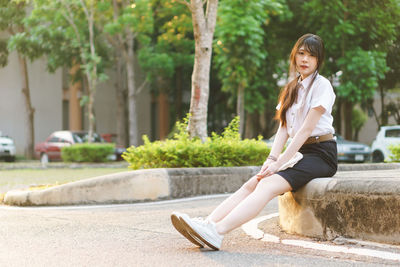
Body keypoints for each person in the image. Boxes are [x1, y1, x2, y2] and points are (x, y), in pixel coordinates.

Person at [171, 33, 337, 250]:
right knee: (254, 182)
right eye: (301, 53)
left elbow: (305, 129)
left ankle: (217, 232)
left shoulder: (322, 85)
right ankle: (208, 223)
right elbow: (283, 129)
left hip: (321, 154)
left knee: (267, 185)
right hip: (299, 153)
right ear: (294, 56)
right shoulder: (290, 89)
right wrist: (271, 159)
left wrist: (279, 163)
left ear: (319, 60)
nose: (305, 60)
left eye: (311, 56)